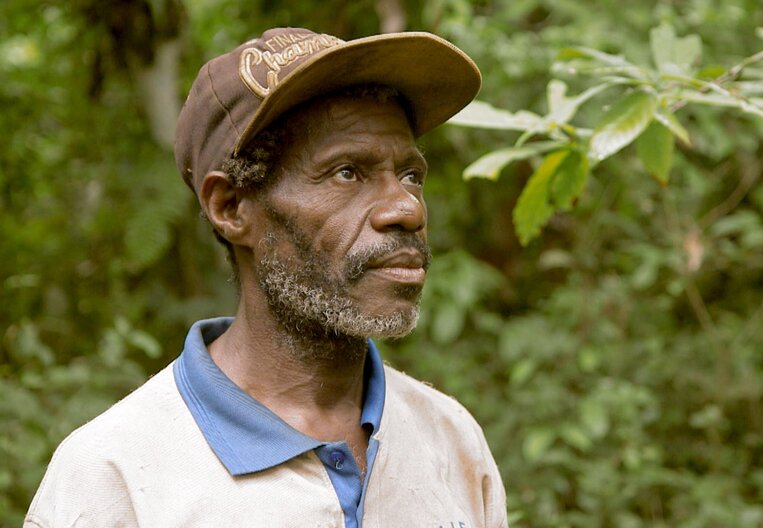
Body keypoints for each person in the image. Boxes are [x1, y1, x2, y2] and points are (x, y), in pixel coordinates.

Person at [25, 27, 507, 527]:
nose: (407, 209)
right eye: (347, 172)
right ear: (231, 207)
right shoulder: (112, 477)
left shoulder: (451, 439)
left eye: (411, 175)